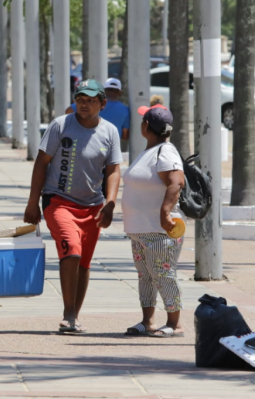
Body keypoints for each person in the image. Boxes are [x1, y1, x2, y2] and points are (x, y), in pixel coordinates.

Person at [24, 79, 123, 334]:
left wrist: (110, 203)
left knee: (84, 263)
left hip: (92, 206)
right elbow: (41, 163)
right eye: (80, 99)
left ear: (102, 103)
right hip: (59, 201)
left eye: (90, 101)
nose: (84, 105)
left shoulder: (110, 131)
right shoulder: (60, 125)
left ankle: (74, 315)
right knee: (73, 250)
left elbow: (113, 170)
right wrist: (32, 201)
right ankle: (68, 314)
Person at [122, 105, 186, 338]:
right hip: (141, 230)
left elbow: (176, 182)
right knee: (146, 276)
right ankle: (147, 321)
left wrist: (165, 214)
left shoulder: (165, 152)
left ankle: (174, 323)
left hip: (159, 230)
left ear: (146, 126)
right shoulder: (151, 150)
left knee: (163, 274)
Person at [66, 78, 130, 141]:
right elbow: (125, 136)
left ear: (104, 91)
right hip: (109, 146)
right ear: (120, 93)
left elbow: (69, 110)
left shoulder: (95, 104)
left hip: (86, 143)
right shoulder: (125, 110)